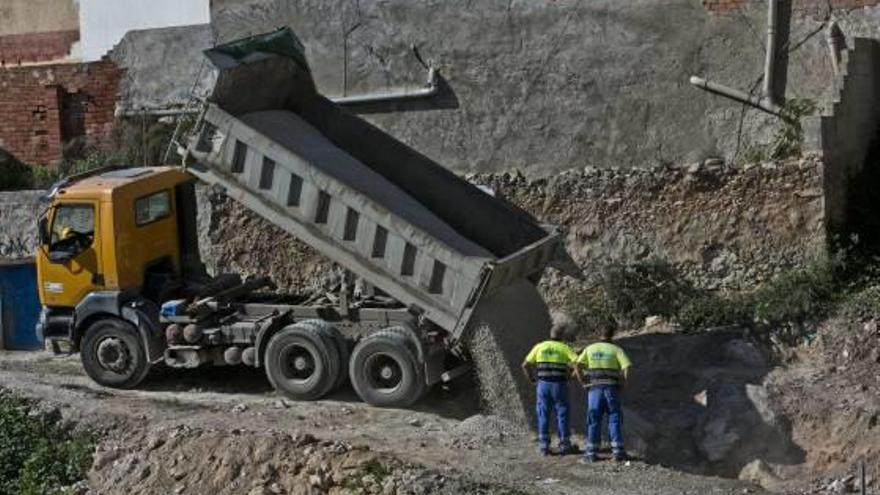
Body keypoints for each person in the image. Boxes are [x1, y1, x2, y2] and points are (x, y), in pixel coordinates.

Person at [576, 326, 632, 462]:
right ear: (612, 335)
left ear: (598, 334)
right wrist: (624, 384)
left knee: (593, 420)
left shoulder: (590, 349)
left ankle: (591, 454)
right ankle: (618, 452)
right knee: (614, 418)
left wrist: (582, 381)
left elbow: (577, 365)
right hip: (611, 390)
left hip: (594, 390)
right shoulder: (616, 350)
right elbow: (627, 367)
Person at [521, 322, 578, 456]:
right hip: (559, 385)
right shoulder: (565, 348)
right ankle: (565, 445)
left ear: (550, 334)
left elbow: (524, 365)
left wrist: (532, 380)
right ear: (562, 336)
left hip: (543, 385)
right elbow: (578, 364)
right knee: (562, 414)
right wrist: (571, 377)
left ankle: (544, 447)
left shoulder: (539, 347)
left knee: (543, 415)